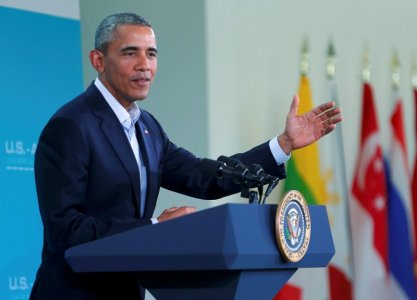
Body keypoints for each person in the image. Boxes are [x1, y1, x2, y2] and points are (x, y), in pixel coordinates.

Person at [30, 12, 342, 300]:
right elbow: (66, 231)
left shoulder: (147, 127)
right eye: (130, 53)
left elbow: (202, 177)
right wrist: (154, 225)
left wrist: (283, 144)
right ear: (98, 60)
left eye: (151, 54)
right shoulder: (71, 126)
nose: (144, 64)